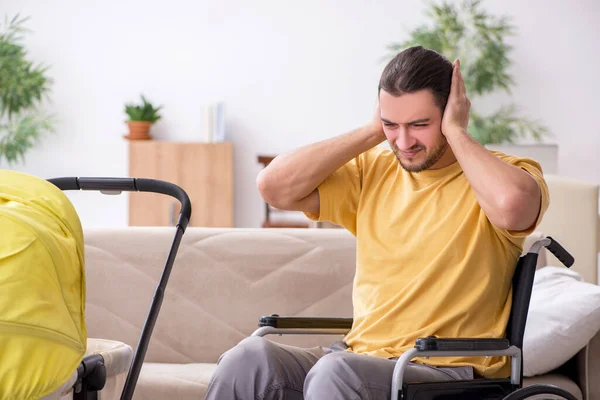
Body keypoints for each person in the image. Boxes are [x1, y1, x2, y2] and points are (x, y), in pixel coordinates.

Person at [205, 46, 549, 400]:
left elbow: (513, 207)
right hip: (357, 360)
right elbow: (273, 187)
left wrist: (457, 133)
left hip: (445, 370)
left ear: (450, 112)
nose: (403, 142)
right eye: (391, 124)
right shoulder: (373, 172)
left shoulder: (500, 175)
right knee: (247, 359)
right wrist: (372, 131)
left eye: (419, 125)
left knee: (338, 373)